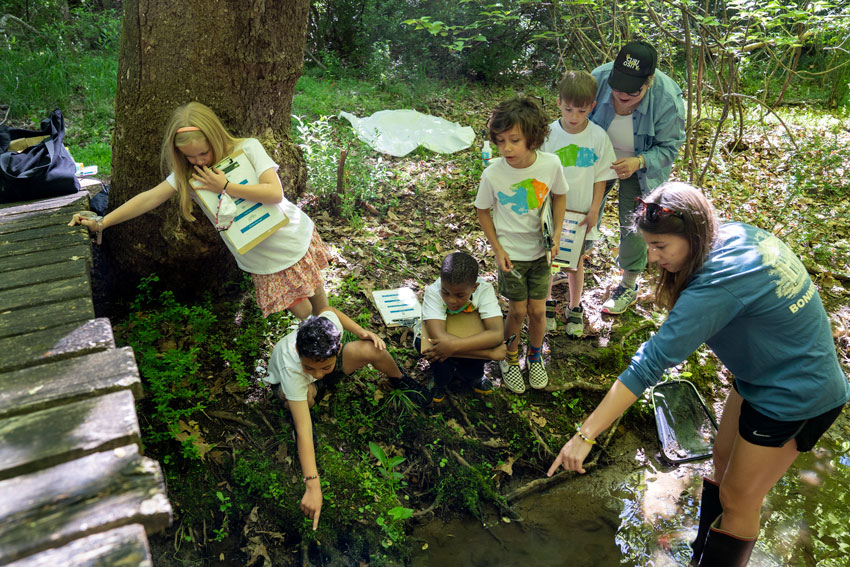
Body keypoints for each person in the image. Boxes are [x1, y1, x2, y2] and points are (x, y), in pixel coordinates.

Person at [547, 182, 848, 566]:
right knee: (721, 461)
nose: (653, 258)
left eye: (661, 247)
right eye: (649, 245)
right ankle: (700, 557)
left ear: (691, 235)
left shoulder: (717, 283)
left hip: (797, 395)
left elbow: (649, 364)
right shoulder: (730, 235)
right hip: (760, 374)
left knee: (739, 498)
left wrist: (585, 436)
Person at [68, 102, 330, 320]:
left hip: (290, 235)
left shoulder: (248, 147)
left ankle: (334, 341)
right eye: (189, 157)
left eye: (203, 153)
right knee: (304, 312)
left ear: (215, 136)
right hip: (263, 257)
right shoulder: (190, 176)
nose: (199, 161)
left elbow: (275, 193)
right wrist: (102, 222)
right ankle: (321, 344)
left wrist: (225, 185)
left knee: (319, 299)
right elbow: (148, 198)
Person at [265, 306, 430, 530]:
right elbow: (304, 430)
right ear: (297, 349)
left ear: (338, 348)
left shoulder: (328, 330)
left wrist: (362, 331)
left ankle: (399, 378)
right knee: (305, 398)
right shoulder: (292, 369)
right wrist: (313, 486)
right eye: (309, 367)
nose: (316, 373)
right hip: (295, 390)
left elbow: (328, 310)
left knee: (372, 349)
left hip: (318, 376)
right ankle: (299, 408)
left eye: (325, 367)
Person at [475, 96, 569, 394]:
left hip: (541, 253)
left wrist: (557, 235)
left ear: (534, 138)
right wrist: (498, 249)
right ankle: (510, 357)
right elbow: (482, 209)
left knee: (538, 311)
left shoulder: (551, 164)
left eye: (514, 140)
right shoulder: (493, 173)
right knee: (517, 311)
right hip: (511, 256)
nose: (506, 149)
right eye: (500, 141)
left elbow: (560, 195)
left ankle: (535, 355)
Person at [588, 40, 686, 315]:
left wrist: (639, 162)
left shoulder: (668, 99)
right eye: (617, 88)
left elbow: (669, 148)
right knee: (582, 208)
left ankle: (628, 284)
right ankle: (570, 262)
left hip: (639, 164)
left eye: (632, 91)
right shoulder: (599, 78)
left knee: (634, 221)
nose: (621, 95)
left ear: (649, 81)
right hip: (597, 158)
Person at [541, 70, 618, 337]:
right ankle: (547, 303)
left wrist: (595, 208)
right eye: (569, 109)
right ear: (559, 102)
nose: (574, 117)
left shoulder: (598, 137)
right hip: (552, 213)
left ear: (592, 107)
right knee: (550, 258)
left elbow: (601, 177)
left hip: (582, 213)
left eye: (582, 111)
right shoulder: (548, 134)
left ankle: (575, 307)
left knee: (576, 261)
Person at [420, 251, 507, 403]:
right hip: (442, 343)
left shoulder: (484, 290)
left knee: (470, 367)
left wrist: (453, 346)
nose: (451, 300)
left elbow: (496, 333)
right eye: (446, 292)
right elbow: (439, 338)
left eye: (460, 295)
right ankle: (440, 382)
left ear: (474, 287)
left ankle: (473, 376)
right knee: (436, 353)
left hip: (464, 336)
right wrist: (490, 353)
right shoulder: (433, 291)